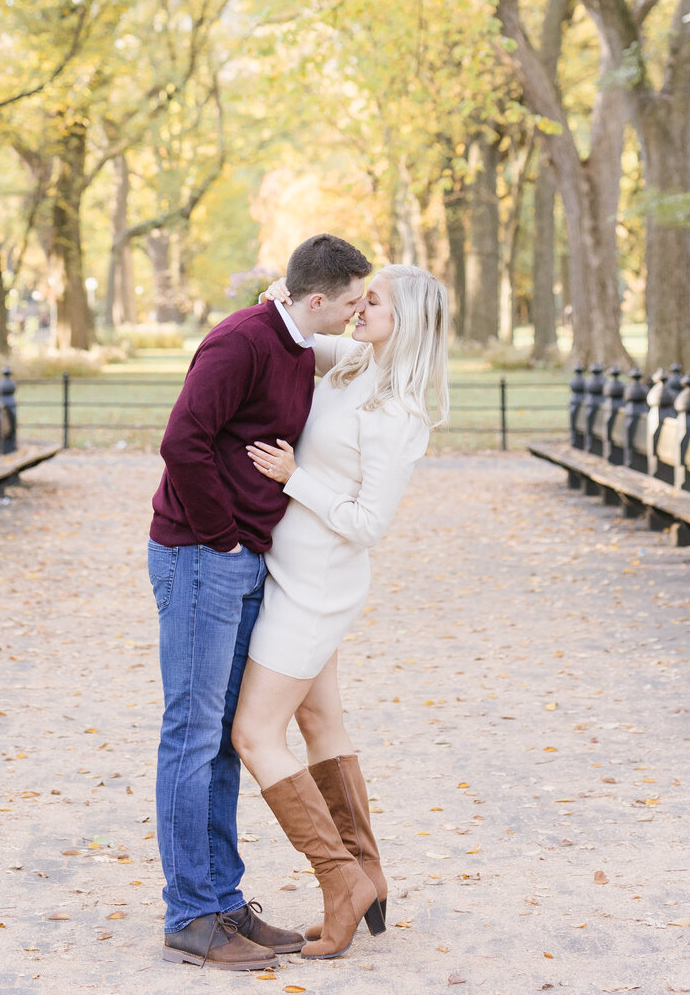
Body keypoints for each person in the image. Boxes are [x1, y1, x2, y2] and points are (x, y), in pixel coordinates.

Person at [148, 232, 372, 974]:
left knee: (222, 737)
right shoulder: (241, 342)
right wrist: (220, 539)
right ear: (315, 299)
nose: (353, 314)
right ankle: (190, 914)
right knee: (191, 730)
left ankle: (223, 899)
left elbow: (378, 361)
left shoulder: (299, 346)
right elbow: (182, 441)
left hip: (242, 562)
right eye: (347, 303)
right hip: (198, 556)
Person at [231, 263, 450, 960]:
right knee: (319, 719)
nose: (358, 307)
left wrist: (298, 479)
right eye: (355, 298)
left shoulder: (397, 416)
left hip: (316, 587)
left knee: (253, 733)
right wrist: (282, 291)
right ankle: (369, 875)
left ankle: (339, 881)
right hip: (295, 570)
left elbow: (366, 524)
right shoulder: (354, 363)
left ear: (403, 318)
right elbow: (295, 329)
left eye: (372, 300)